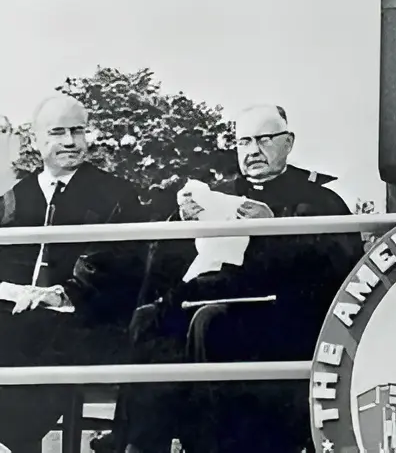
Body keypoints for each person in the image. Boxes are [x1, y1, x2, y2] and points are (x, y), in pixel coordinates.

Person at [122, 104, 361, 453]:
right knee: (148, 319)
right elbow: (169, 265)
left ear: (288, 142)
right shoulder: (219, 192)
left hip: (285, 315)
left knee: (209, 322)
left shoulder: (320, 198)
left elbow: (337, 269)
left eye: (264, 140)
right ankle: (140, 443)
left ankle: (210, 445)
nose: (252, 151)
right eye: (243, 141)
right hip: (213, 295)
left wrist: (275, 226)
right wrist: (182, 222)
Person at [0, 95, 150, 453]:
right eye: (57, 132)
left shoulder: (117, 194)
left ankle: (12, 441)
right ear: (36, 140)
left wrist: (61, 294)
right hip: (18, 316)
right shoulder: (13, 199)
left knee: (33, 334)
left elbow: (120, 268)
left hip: (87, 319)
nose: (70, 142)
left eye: (77, 131)